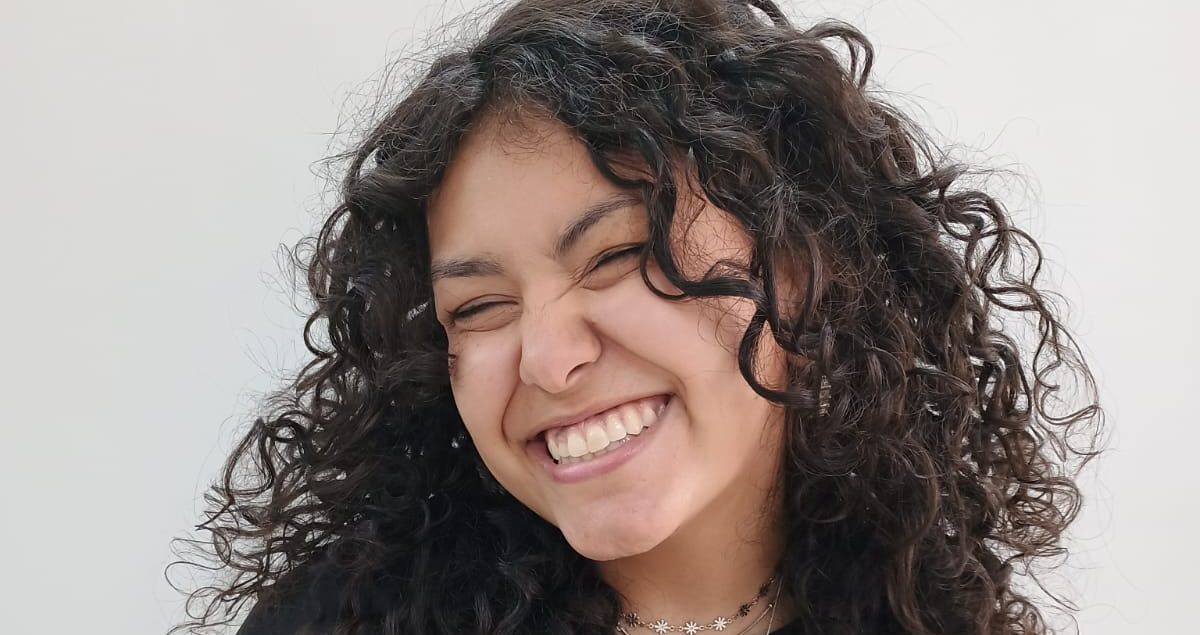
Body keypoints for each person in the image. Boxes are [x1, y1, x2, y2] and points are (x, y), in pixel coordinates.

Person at [168, 1, 1102, 634]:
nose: (548, 357)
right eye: (479, 306)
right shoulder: (340, 621)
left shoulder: (931, 611)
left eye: (617, 255)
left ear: (804, 257)